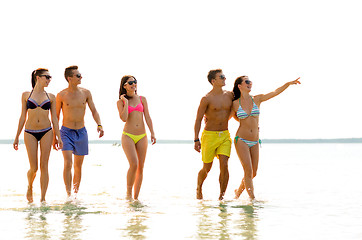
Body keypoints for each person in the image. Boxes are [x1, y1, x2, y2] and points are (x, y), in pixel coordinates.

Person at [232, 76, 301, 199]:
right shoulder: (235, 103)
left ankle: (237, 193)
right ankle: (252, 200)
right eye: (247, 82)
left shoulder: (257, 99)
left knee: (253, 173)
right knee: (248, 170)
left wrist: (288, 83)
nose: (250, 83)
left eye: (250, 82)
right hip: (241, 139)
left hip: (255, 141)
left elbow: (275, 92)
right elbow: (226, 116)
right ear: (239, 86)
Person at [52, 65, 104, 198]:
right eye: (78, 75)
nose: (81, 77)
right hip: (66, 132)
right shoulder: (61, 95)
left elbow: (94, 110)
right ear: (70, 78)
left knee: (78, 166)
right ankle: (68, 194)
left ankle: (75, 194)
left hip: (81, 132)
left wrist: (99, 124)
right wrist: (55, 137)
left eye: (80, 75)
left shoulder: (86, 93)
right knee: (68, 162)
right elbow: (56, 117)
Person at [13, 68, 63, 203]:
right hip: (30, 132)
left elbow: (55, 119)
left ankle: (42, 199)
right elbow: (22, 117)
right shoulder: (26, 95)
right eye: (47, 77)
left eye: (50, 77)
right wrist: (17, 136)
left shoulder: (51, 97)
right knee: (34, 168)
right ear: (38, 77)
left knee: (44, 166)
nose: (49, 80)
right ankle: (30, 186)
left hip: (47, 131)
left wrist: (58, 136)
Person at [194, 69, 234, 200]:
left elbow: (240, 106)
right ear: (213, 81)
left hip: (224, 135)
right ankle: (199, 188)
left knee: (224, 164)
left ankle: (221, 197)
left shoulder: (230, 95)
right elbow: (198, 119)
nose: (224, 78)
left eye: (224, 76)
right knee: (207, 168)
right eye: (221, 77)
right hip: (209, 136)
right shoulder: (206, 99)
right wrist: (196, 139)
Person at [116, 75, 156, 201]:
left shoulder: (142, 99)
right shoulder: (120, 102)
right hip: (128, 135)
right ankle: (128, 194)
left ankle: (136, 198)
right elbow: (124, 118)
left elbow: (148, 117)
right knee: (134, 163)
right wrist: (126, 102)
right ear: (124, 86)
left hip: (142, 136)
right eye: (130, 82)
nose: (134, 84)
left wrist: (152, 133)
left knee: (140, 167)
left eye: (135, 82)